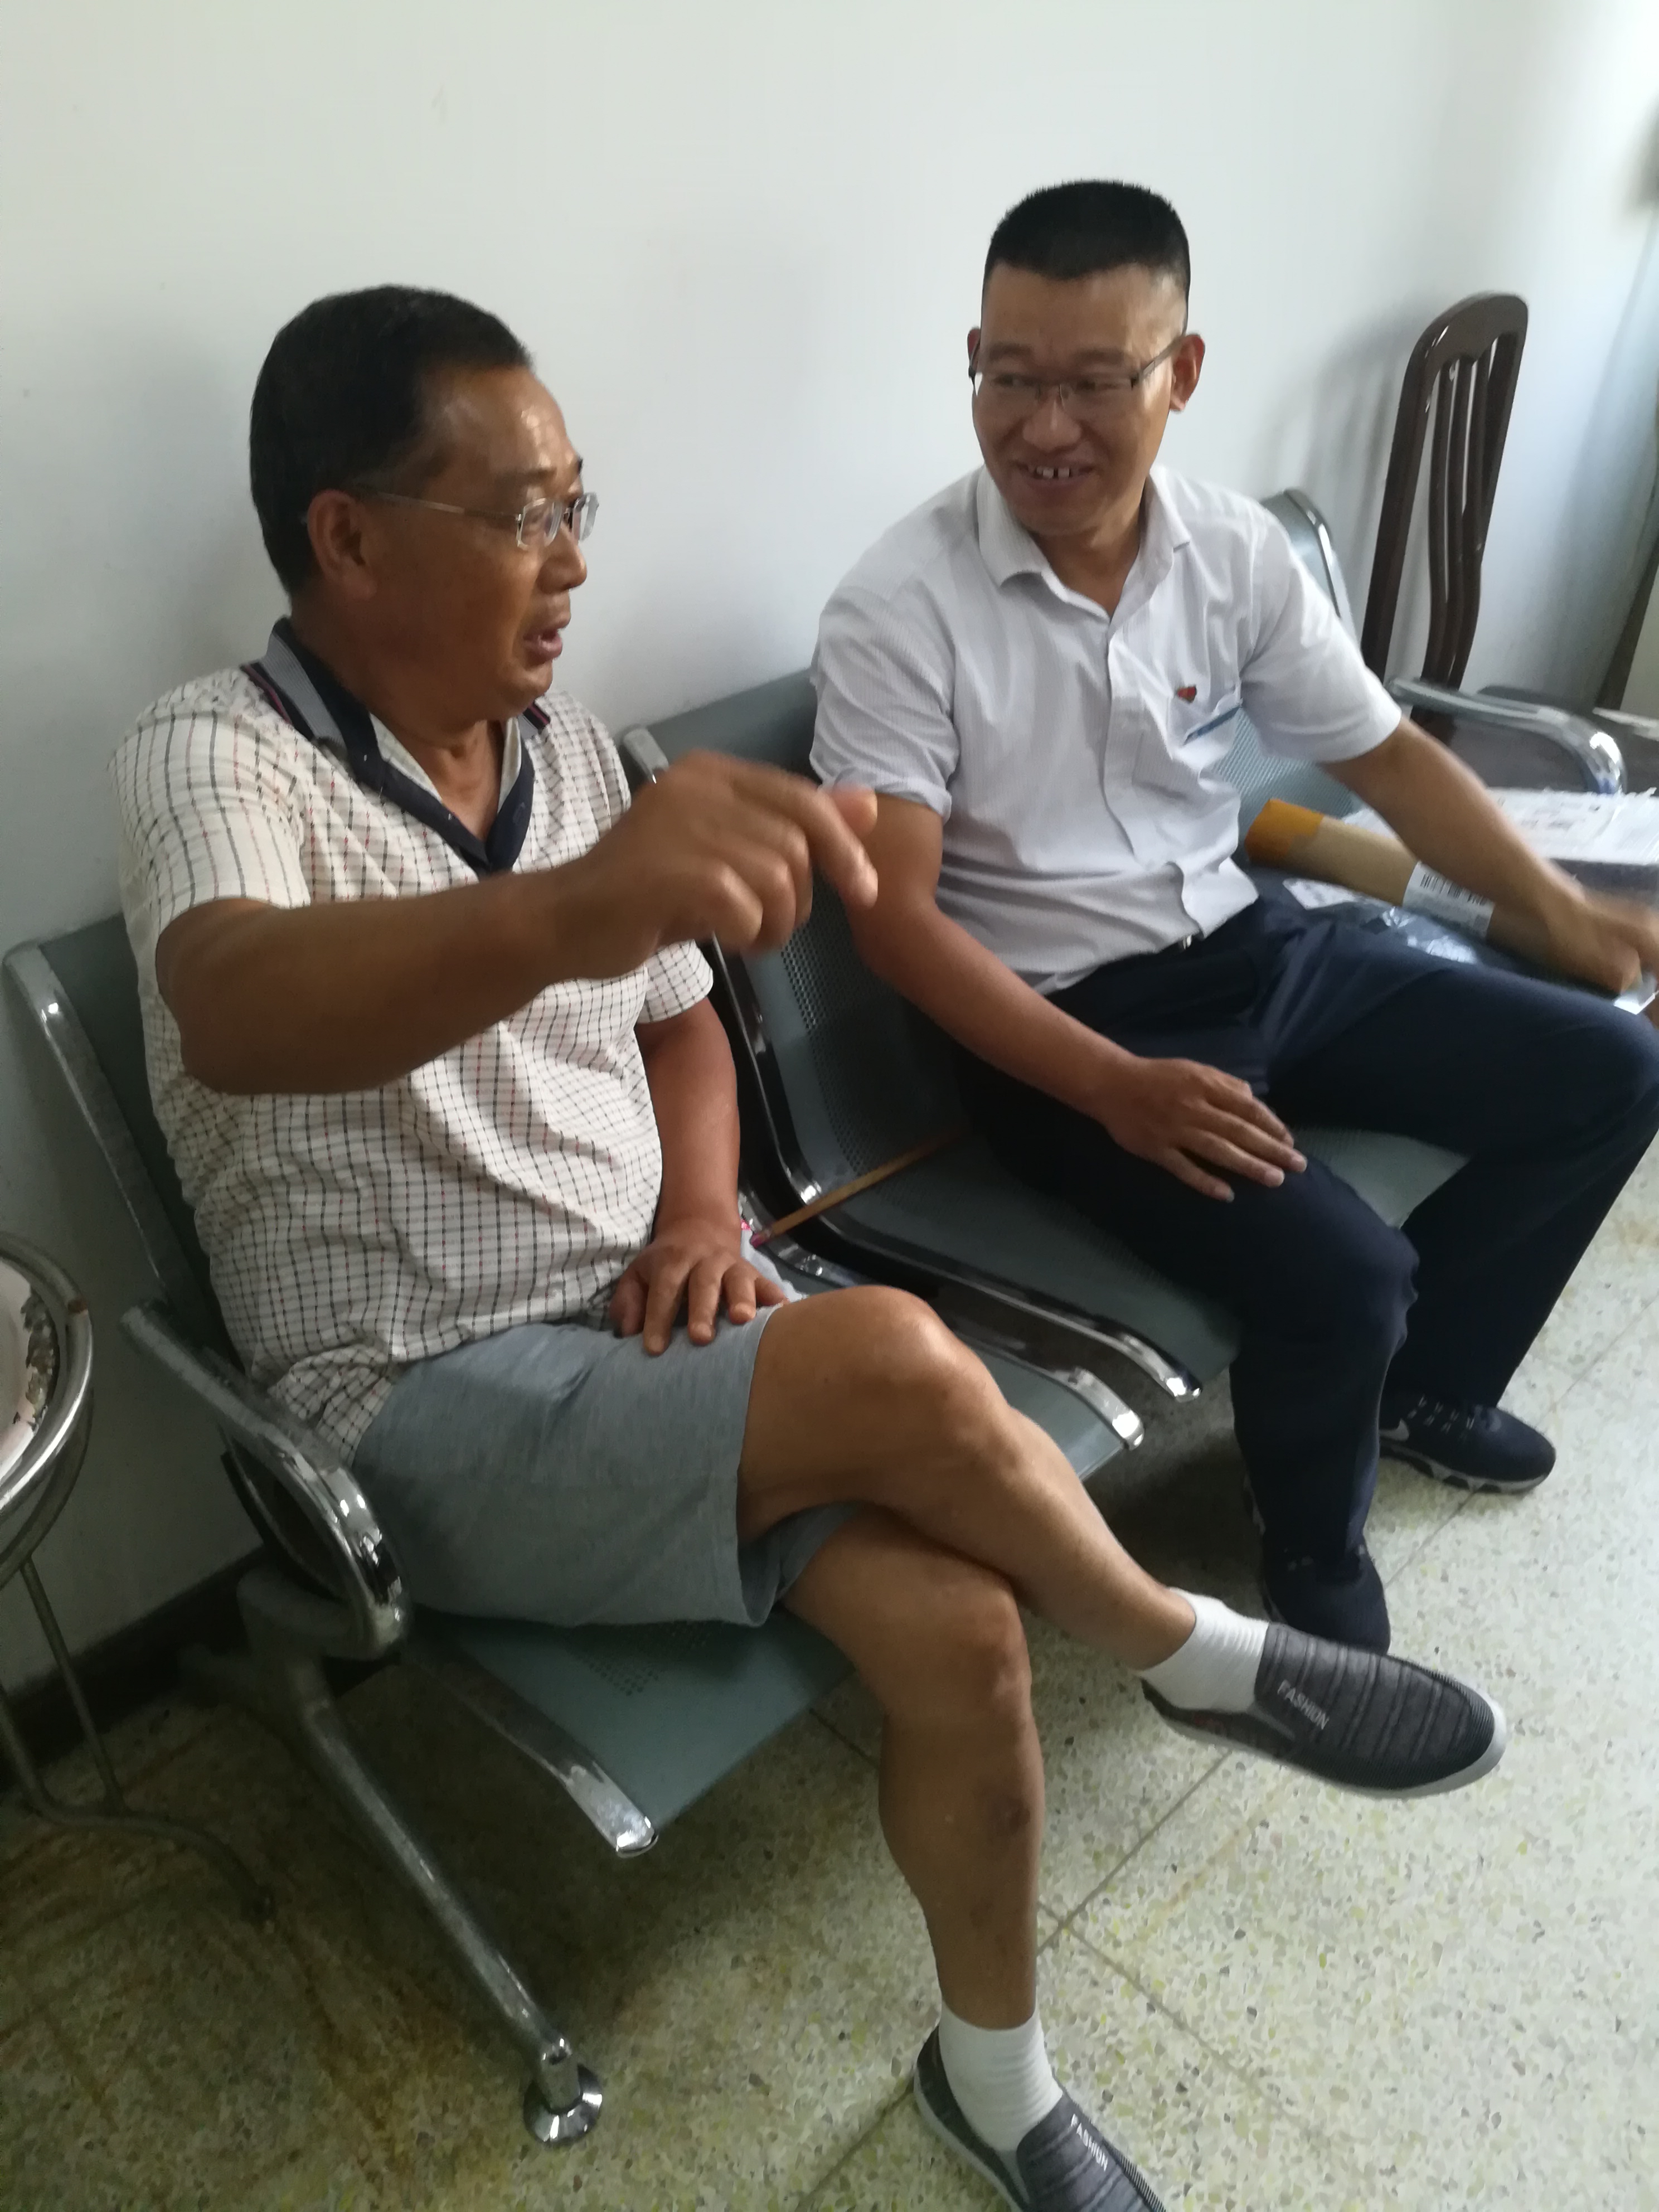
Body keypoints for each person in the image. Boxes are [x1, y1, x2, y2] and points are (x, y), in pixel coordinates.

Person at [115, 287, 1510, 2212]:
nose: (572, 561)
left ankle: (995, 2088)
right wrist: (575, 912)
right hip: (411, 1398)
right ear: (346, 538)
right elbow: (237, 1009)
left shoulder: (567, 751)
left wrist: (703, 1209)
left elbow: (686, 1021)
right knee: (893, 1356)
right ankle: (1187, 1650)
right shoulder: (212, 757)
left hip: (644, 1323)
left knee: (966, 1634)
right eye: (522, 515)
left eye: (578, 504)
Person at [812, 181, 1659, 1658]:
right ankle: (1308, 1531)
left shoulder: (1228, 550)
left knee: (1613, 1068)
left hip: (1259, 948)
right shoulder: (900, 609)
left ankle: (1425, 1390)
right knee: (1350, 1276)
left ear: (1182, 372)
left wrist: (1562, 915)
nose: (1044, 427)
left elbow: (1388, 757)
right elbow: (895, 925)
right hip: (1064, 1036)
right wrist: (1113, 1089)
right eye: (1009, 376)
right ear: (973, 359)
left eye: (1095, 382)